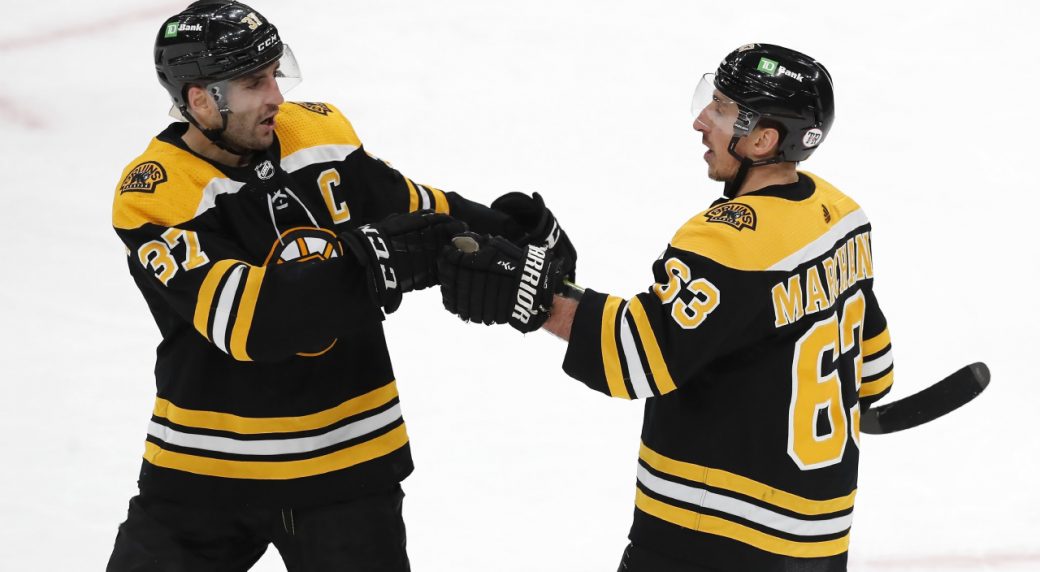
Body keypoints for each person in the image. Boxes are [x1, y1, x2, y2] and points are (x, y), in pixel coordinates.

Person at [107, 1, 575, 570]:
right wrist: (377, 260)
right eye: (254, 83)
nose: (276, 96)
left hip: (347, 465)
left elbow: (418, 210)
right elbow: (252, 321)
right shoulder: (156, 192)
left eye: (275, 73)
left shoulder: (316, 133)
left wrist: (517, 238)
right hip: (206, 476)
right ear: (201, 99)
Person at [438, 43, 895, 571]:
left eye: (721, 109)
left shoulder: (727, 240)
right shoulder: (841, 216)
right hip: (819, 542)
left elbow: (639, 353)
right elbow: (873, 369)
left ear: (763, 139)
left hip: (714, 538)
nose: (702, 121)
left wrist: (531, 295)